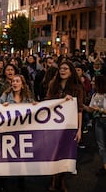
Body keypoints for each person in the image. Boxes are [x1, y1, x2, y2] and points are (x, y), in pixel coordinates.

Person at [46, 61, 84, 192]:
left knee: (65, 153)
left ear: (71, 71)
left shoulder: (77, 88)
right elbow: (48, 102)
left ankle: (61, 180)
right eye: (61, 68)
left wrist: (79, 129)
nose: (62, 71)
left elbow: (80, 109)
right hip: (54, 125)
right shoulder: (53, 85)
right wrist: (61, 97)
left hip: (69, 125)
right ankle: (53, 178)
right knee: (54, 152)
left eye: (66, 69)